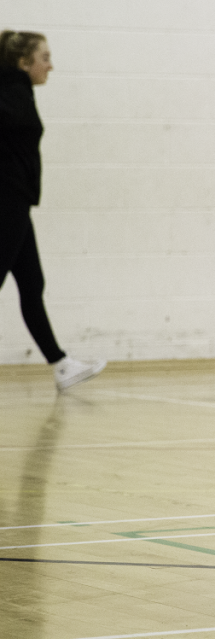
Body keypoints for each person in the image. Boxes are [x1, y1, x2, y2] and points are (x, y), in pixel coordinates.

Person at [1, 30, 106, 389]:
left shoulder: (16, 91)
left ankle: (61, 365)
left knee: (32, 283)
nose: (51, 65)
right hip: (6, 201)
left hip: (17, 202)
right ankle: (60, 363)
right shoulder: (10, 93)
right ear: (23, 62)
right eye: (44, 58)